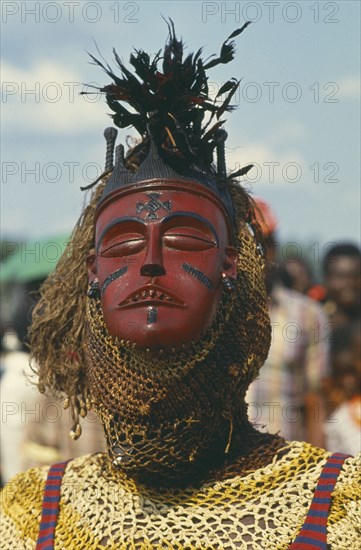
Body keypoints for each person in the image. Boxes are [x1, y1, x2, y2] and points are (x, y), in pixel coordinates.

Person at [1, 22, 359, 549]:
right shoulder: (33, 516)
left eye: (184, 239)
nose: (149, 262)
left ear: (230, 266)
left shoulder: (337, 505)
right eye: (123, 242)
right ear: (93, 272)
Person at [246, 200, 329, 445]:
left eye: (266, 243)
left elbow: (315, 400)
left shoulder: (307, 315)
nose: (258, 253)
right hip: (225, 471)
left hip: (286, 466)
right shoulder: (213, 312)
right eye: (249, 244)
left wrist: (316, 475)